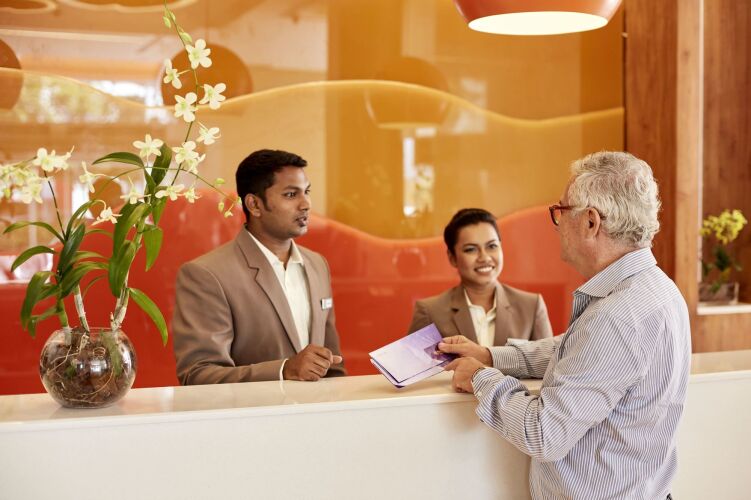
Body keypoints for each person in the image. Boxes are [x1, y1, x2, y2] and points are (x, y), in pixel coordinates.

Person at [441, 151, 690, 499]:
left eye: (561, 210)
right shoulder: (657, 288)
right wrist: (490, 356)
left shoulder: (616, 317)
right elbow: (576, 352)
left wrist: (480, 378)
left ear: (590, 222)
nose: (556, 224)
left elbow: (543, 434)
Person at [173, 149, 345, 384]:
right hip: (253, 409)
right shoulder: (206, 274)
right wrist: (283, 370)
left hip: (318, 407)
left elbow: (332, 364)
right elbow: (198, 375)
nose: (305, 204)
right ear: (254, 204)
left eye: (306, 192)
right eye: (291, 194)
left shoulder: (317, 264)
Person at [407, 208, 553, 346]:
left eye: (492, 246)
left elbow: (549, 362)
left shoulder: (531, 307)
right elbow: (412, 364)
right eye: (471, 249)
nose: (484, 257)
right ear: (452, 257)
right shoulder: (430, 311)